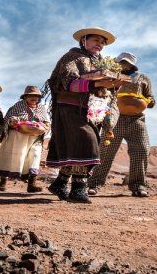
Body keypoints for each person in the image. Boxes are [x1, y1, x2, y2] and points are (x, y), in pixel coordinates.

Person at [46, 27, 125, 203]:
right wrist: (93, 84)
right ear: (84, 40)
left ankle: (60, 182)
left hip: (91, 110)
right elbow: (66, 82)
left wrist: (113, 84)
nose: (100, 44)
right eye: (96, 40)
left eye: (103, 42)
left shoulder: (103, 64)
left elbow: (106, 88)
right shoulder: (72, 57)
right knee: (87, 142)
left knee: (78, 146)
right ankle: (79, 189)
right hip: (69, 107)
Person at [88, 52, 156, 197]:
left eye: (125, 62)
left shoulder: (143, 78)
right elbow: (99, 91)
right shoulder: (109, 76)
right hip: (114, 118)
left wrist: (146, 101)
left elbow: (150, 97)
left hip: (137, 119)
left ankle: (138, 186)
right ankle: (94, 184)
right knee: (105, 151)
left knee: (142, 150)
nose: (122, 64)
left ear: (132, 65)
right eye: (120, 61)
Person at [0, 86, 50, 192]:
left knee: (35, 156)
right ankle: (2, 182)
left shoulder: (41, 108)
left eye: (36, 96)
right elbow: (8, 119)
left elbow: (46, 123)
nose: (34, 98)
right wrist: (15, 121)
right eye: (31, 95)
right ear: (25, 97)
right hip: (17, 137)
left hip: (35, 138)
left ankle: (32, 184)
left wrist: (42, 125)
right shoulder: (18, 106)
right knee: (12, 157)